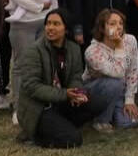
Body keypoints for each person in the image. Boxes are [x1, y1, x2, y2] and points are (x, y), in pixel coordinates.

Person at [16, 9, 117, 148]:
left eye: (56, 24)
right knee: (73, 140)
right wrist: (65, 94)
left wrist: (76, 92)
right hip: (39, 108)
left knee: (98, 102)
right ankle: (34, 137)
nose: (50, 28)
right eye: (48, 23)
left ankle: (61, 124)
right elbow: (32, 87)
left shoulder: (73, 49)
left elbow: (76, 76)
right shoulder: (34, 51)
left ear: (66, 29)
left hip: (61, 102)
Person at [5, 0, 64, 116]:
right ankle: (19, 107)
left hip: (44, 23)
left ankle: (40, 102)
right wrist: (38, 6)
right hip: (24, 24)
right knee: (22, 65)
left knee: (43, 63)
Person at [83, 9, 138, 130]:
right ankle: (102, 120)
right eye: (112, 24)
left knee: (129, 122)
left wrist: (129, 99)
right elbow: (118, 72)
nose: (118, 27)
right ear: (102, 28)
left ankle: (115, 110)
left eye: (120, 23)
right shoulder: (92, 51)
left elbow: (133, 70)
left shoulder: (130, 40)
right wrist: (119, 47)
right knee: (115, 83)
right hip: (97, 91)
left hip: (119, 90)